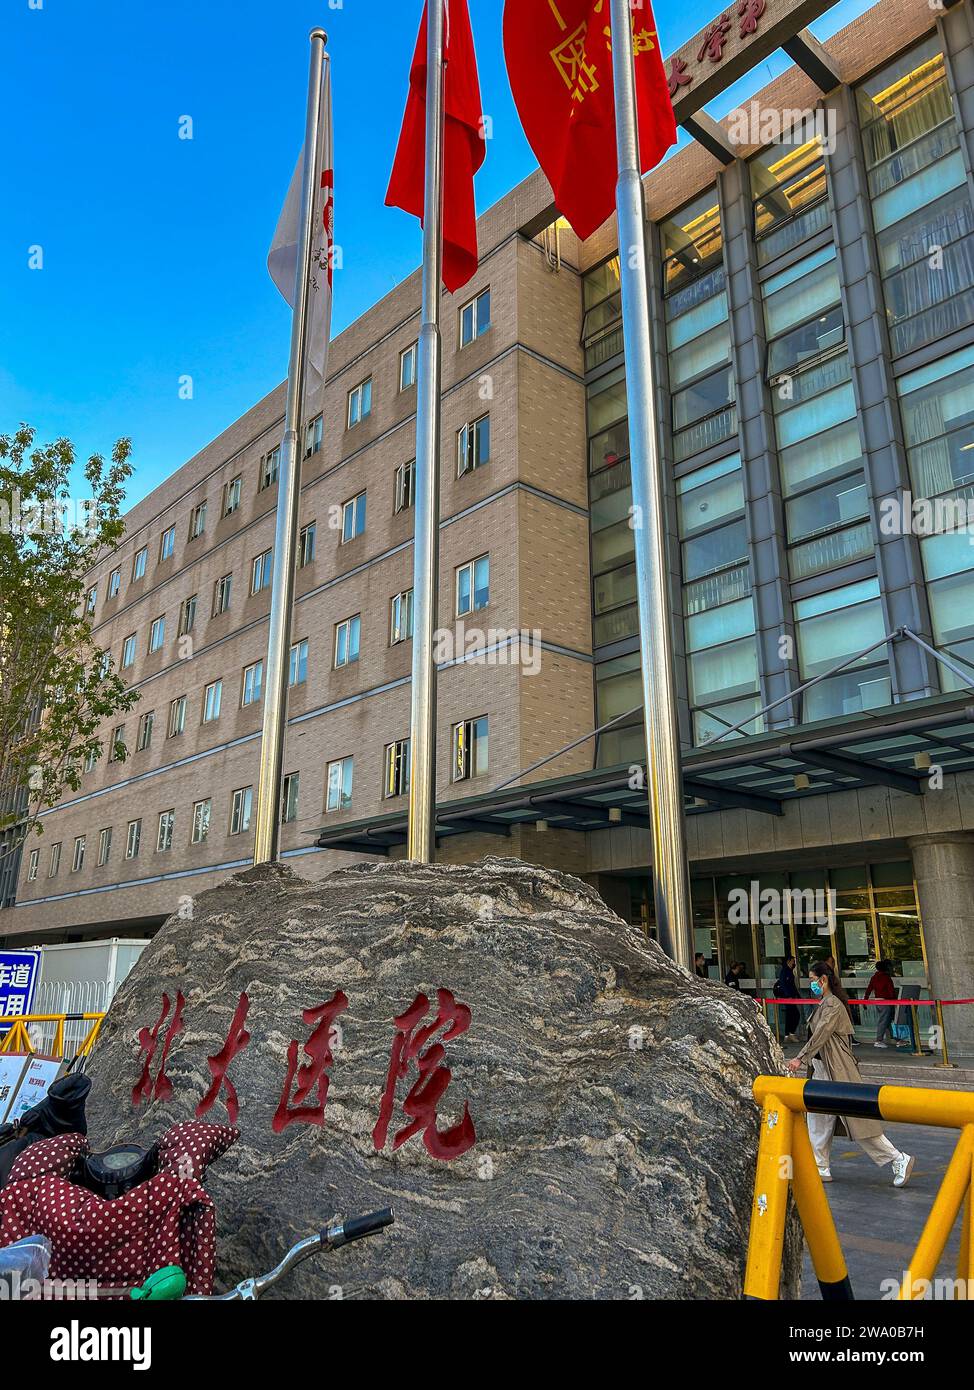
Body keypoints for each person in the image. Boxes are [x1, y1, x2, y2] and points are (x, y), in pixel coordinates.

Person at [788, 960, 913, 1187]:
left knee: (857, 1122)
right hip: (822, 1070)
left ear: (823, 980)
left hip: (837, 1070)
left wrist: (799, 1058)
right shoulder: (825, 1002)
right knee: (818, 1120)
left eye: (812, 979)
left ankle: (898, 1158)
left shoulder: (832, 1005)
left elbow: (821, 1035)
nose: (811, 984)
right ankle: (820, 1166)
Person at [864, 959, 898, 1048]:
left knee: (888, 1020)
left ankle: (897, 1038)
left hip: (877, 1001)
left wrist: (865, 1000)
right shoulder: (886, 977)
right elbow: (891, 991)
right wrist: (895, 1001)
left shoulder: (874, 977)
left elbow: (869, 989)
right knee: (884, 1021)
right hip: (886, 1001)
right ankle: (879, 1040)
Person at [774, 956, 800, 1042]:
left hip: (791, 996)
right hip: (787, 997)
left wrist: (797, 995)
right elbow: (783, 984)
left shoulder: (789, 971)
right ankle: (790, 1033)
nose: (794, 963)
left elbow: (792, 985)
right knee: (794, 1015)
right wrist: (788, 995)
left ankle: (788, 1034)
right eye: (793, 961)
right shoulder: (784, 971)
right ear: (788, 961)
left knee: (791, 1015)